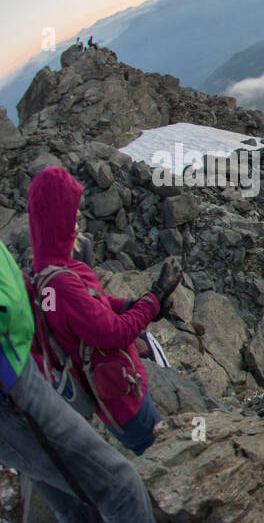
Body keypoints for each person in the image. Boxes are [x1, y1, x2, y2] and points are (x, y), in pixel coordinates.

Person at [0, 239, 223, 523]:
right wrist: (153, 302)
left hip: (17, 384)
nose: (80, 226)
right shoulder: (59, 282)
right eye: (74, 217)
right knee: (120, 488)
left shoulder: (52, 277)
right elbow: (109, 329)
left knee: (74, 507)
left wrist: (143, 301)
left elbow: (100, 307)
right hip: (14, 393)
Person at [27, 166, 180, 454]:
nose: (77, 219)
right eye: (70, 212)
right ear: (55, 218)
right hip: (120, 397)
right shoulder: (60, 282)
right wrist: (153, 300)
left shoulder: (46, 270)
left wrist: (129, 305)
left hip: (109, 387)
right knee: (159, 452)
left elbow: (86, 305)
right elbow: (113, 334)